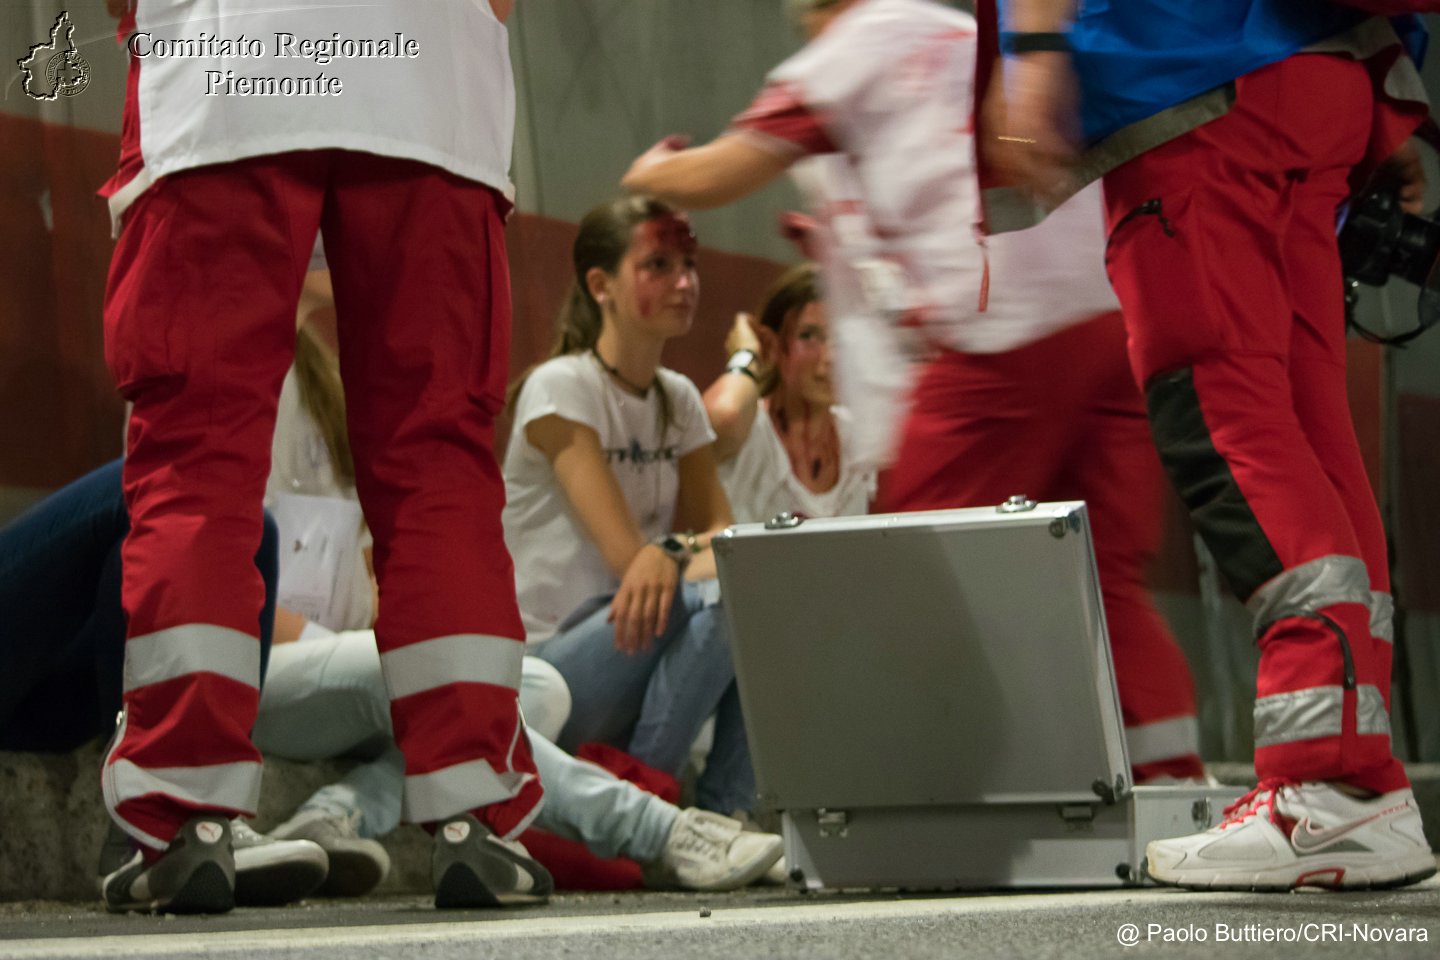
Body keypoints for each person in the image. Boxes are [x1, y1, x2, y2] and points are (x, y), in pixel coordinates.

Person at [621, 0, 1205, 784]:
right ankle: (1172, 782)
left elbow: (718, 172)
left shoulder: (852, 48)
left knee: (912, 562)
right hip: (1105, 317)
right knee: (1101, 581)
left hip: (1004, 335)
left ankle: (920, 789)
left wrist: (652, 171)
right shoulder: (962, 32)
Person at [96, 0, 547, 912]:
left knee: (198, 460)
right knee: (438, 463)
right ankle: (473, 817)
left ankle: (189, 813)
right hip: (431, 83)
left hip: (229, 73)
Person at [993, 0, 1436, 889]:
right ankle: (1359, 778)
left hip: (1188, 81)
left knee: (1229, 420)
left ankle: (1318, 785)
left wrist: (1035, 52)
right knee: (1309, 432)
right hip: (1323, 79)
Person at [253, 292, 782, 894]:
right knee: (443, 685)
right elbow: (235, 586)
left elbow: (373, 560)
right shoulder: (240, 379)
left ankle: (333, 815)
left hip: (347, 663)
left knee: (538, 689)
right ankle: (659, 830)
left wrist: (384, 632)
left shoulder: (324, 377)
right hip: (270, 668)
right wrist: (371, 653)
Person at [504, 195, 757, 820]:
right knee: (728, 593)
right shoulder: (560, 387)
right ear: (601, 285)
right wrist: (674, 557)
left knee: (752, 596)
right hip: (545, 671)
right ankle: (649, 812)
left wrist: (671, 552)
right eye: (660, 265)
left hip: (630, 645)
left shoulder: (677, 399)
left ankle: (727, 814)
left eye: (690, 265)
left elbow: (722, 534)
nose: (685, 282)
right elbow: (628, 558)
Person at [704, 263, 874, 523]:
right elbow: (721, 417)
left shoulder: (858, 437)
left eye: (839, 338)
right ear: (771, 344)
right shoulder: (748, 428)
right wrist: (746, 353)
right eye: (809, 336)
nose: (831, 356)